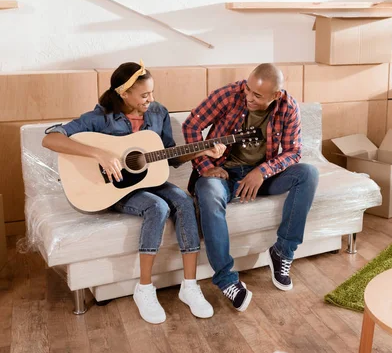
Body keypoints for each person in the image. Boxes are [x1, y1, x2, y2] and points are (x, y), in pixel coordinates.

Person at [42, 61, 226, 324]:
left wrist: (202, 150)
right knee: (157, 207)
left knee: (185, 202)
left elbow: (170, 157)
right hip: (117, 189)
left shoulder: (158, 113)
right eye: (144, 95)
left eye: (152, 92)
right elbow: (51, 139)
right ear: (123, 94)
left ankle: (189, 286)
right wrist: (100, 154)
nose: (150, 99)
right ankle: (144, 289)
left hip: (152, 180)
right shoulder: (98, 118)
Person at [182, 63, 319, 312]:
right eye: (248, 90)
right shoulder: (228, 95)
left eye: (257, 96)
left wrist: (261, 172)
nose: (249, 98)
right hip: (223, 173)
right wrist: (204, 165)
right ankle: (226, 279)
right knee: (208, 193)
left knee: (308, 173)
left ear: (276, 95)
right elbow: (191, 125)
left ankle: (282, 251)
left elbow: (293, 151)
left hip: (261, 176)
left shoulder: (288, 107)